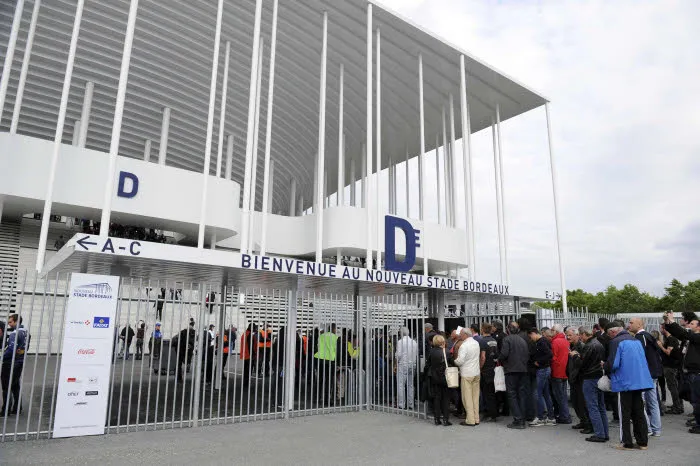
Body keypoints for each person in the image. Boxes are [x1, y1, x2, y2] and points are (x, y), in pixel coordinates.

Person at [604, 322, 653, 450]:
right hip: (639, 381)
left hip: (624, 382)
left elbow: (614, 364)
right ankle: (643, 442)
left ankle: (626, 442)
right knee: (638, 412)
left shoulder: (616, 342)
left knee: (624, 413)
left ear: (612, 332)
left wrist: (605, 366)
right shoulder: (635, 340)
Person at [663, 311, 700, 434]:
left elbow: (683, 333)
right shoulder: (691, 339)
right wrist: (668, 323)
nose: (689, 325)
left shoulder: (697, 337)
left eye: (692, 324)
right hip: (689, 373)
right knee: (693, 398)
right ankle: (697, 420)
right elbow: (680, 335)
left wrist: (672, 321)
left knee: (697, 399)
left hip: (696, 374)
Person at [628, 317, 663, 437]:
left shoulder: (641, 337)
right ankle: (656, 429)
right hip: (652, 373)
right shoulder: (648, 336)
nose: (629, 324)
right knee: (652, 402)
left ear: (639, 325)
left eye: (631, 322)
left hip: (645, 374)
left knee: (641, 402)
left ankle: (647, 428)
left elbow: (639, 356)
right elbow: (658, 352)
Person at [578, 327, 609, 443]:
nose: (580, 337)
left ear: (584, 334)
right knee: (600, 406)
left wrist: (576, 357)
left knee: (593, 407)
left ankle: (600, 434)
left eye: (581, 335)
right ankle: (604, 433)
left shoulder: (589, 346)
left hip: (590, 377)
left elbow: (582, 363)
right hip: (598, 376)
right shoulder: (599, 343)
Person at [498, 322, 530, 429]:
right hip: (523, 370)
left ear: (508, 329)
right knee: (521, 394)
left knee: (512, 395)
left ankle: (518, 420)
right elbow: (527, 355)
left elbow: (504, 354)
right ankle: (522, 418)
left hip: (511, 370)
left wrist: (499, 359)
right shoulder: (523, 340)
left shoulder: (507, 339)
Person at [1, 315, 28, 416]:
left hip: (10, 363)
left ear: (17, 321)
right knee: (15, 386)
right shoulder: (26, 332)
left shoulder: (14, 333)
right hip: (20, 361)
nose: (9, 324)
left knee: (6, 387)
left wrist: (1, 358)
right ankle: (17, 408)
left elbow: (11, 349)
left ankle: (6, 410)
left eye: (11, 322)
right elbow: (26, 347)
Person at [527, 328, 556, 426]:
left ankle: (540, 418)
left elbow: (549, 354)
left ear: (533, 333)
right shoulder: (543, 341)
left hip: (542, 369)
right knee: (546, 394)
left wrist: (539, 362)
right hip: (545, 369)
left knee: (538, 394)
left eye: (530, 336)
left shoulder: (541, 342)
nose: (531, 338)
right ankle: (551, 417)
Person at [454, 328, 482, 426]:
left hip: (467, 374)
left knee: (467, 398)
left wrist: (454, 361)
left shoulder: (464, 346)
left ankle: (470, 420)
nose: (460, 335)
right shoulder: (476, 343)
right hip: (476, 373)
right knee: (475, 397)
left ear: (465, 335)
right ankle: (476, 418)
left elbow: (460, 361)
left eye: (461, 334)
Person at [566, 327, 592, 434]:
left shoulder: (582, 346)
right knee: (575, 401)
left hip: (579, 378)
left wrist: (576, 356)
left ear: (577, 335)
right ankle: (583, 420)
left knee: (582, 402)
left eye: (570, 335)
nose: (568, 337)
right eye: (567, 335)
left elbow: (582, 363)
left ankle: (588, 424)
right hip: (573, 378)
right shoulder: (572, 346)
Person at [425, 334, 453, 426]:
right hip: (445, 377)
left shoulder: (431, 352)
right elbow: (452, 364)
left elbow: (428, 365)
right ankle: (445, 419)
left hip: (434, 377)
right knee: (446, 398)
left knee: (437, 398)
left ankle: (437, 419)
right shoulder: (447, 352)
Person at [658, 324, 684, 414]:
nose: (660, 329)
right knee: (673, 386)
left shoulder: (671, 339)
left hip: (670, 366)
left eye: (661, 328)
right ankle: (677, 405)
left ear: (665, 329)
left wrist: (661, 346)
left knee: (673, 387)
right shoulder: (669, 339)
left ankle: (677, 407)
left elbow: (668, 352)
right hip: (669, 366)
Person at [550, 324, 572, 424]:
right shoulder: (566, 341)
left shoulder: (555, 341)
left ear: (556, 331)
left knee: (559, 396)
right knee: (562, 395)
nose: (551, 332)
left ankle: (565, 416)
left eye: (552, 330)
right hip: (564, 372)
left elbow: (553, 357)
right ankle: (565, 415)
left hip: (557, 371)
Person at [315, 324, 339, 405]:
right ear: (333, 329)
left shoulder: (322, 336)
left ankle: (317, 398)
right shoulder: (335, 337)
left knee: (320, 380)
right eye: (336, 329)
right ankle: (326, 400)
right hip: (330, 360)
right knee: (329, 381)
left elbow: (318, 346)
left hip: (320, 359)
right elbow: (336, 350)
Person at [395, 327, 418, 410]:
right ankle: (411, 404)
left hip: (403, 364)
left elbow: (399, 355)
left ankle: (401, 404)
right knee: (411, 385)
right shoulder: (414, 342)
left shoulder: (400, 342)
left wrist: (395, 361)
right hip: (413, 364)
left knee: (401, 385)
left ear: (401, 333)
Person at [480, 323, 499, 423]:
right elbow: (496, 355)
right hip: (493, 368)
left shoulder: (482, 341)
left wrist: (480, 367)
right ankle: (493, 413)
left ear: (483, 329)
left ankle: (491, 415)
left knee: (487, 393)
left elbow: (482, 357)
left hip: (485, 370)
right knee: (492, 392)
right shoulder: (494, 340)